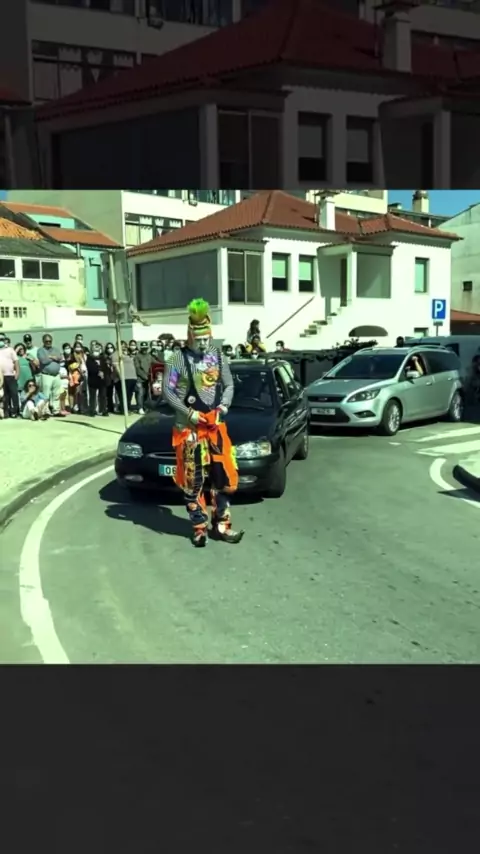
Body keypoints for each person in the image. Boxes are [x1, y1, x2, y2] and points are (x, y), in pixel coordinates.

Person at [163, 298, 244, 547]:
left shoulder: (218, 356)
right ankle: (199, 527)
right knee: (193, 481)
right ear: (189, 336)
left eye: (206, 339)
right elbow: (168, 391)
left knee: (223, 478)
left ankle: (222, 524)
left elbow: (229, 385)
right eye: (198, 339)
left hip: (215, 427)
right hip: (189, 430)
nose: (203, 343)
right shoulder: (176, 359)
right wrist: (188, 413)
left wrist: (223, 406)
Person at [37, 333, 65, 416]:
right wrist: (54, 358)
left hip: (56, 375)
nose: (48, 342)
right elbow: (43, 361)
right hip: (46, 375)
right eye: (46, 341)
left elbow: (60, 358)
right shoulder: (40, 350)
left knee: (56, 394)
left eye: (50, 341)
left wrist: (50, 357)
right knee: (46, 394)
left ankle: (56, 410)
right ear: (43, 341)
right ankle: (46, 411)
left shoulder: (56, 349)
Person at [86, 342, 109, 416]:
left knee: (103, 396)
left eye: (98, 349)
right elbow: (90, 368)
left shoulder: (103, 358)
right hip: (93, 380)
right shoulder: (89, 358)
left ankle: (103, 410)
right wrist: (98, 371)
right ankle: (92, 410)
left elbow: (106, 368)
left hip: (102, 380)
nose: (96, 351)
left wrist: (103, 373)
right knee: (92, 397)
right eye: (95, 349)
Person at [113, 341, 137, 412]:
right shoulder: (116, 354)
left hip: (132, 377)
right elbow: (116, 366)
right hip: (124, 378)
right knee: (124, 395)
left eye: (124, 345)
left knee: (129, 394)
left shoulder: (126, 354)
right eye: (121, 345)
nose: (123, 346)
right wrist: (121, 376)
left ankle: (128, 408)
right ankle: (124, 409)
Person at [0, 332, 20, 417]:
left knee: (14, 394)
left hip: (11, 375)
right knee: (5, 395)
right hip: (1, 377)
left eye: (2, 339)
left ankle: (15, 411)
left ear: (5, 340)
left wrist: (17, 373)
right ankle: (6, 412)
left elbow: (16, 362)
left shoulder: (10, 350)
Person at [66, 342, 87, 412]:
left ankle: (81, 406)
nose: (78, 348)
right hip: (75, 375)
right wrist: (76, 365)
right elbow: (69, 366)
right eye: (76, 347)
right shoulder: (71, 356)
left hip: (84, 375)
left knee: (81, 392)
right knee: (75, 391)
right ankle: (74, 406)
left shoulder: (84, 355)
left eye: (79, 346)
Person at [134, 341, 154, 414]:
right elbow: (137, 368)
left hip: (147, 378)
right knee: (140, 393)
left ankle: (145, 407)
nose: (144, 350)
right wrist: (145, 376)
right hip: (139, 378)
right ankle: (140, 408)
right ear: (141, 348)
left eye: (146, 348)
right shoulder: (137, 356)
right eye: (143, 348)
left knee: (146, 393)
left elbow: (155, 362)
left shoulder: (149, 356)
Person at [104, 343, 118, 413]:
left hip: (116, 376)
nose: (110, 349)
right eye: (108, 348)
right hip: (109, 377)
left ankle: (117, 407)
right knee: (109, 393)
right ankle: (110, 407)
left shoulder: (116, 356)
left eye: (111, 347)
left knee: (117, 393)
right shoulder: (105, 357)